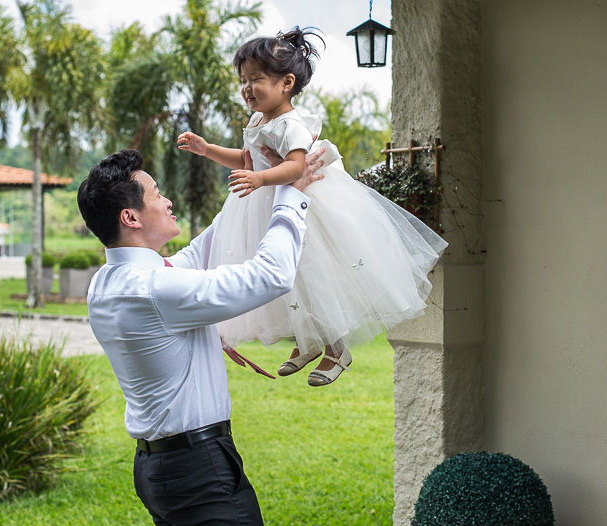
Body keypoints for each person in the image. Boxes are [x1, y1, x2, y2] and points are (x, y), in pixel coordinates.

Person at [177, 27, 448, 387]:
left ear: (286, 83)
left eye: (255, 79)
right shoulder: (259, 120)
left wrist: (260, 178)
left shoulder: (291, 123)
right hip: (270, 204)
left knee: (312, 276)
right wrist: (207, 149)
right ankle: (307, 342)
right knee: (289, 281)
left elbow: (295, 166)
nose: (246, 87)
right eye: (243, 80)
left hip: (303, 206)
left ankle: (337, 349)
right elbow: (247, 156)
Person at [77, 146, 324, 526]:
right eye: (157, 194)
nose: (168, 200)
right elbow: (271, 275)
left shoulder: (108, 283)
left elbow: (198, 254)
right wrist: (291, 193)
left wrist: (253, 187)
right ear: (130, 217)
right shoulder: (154, 288)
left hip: (158, 468)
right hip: (197, 470)